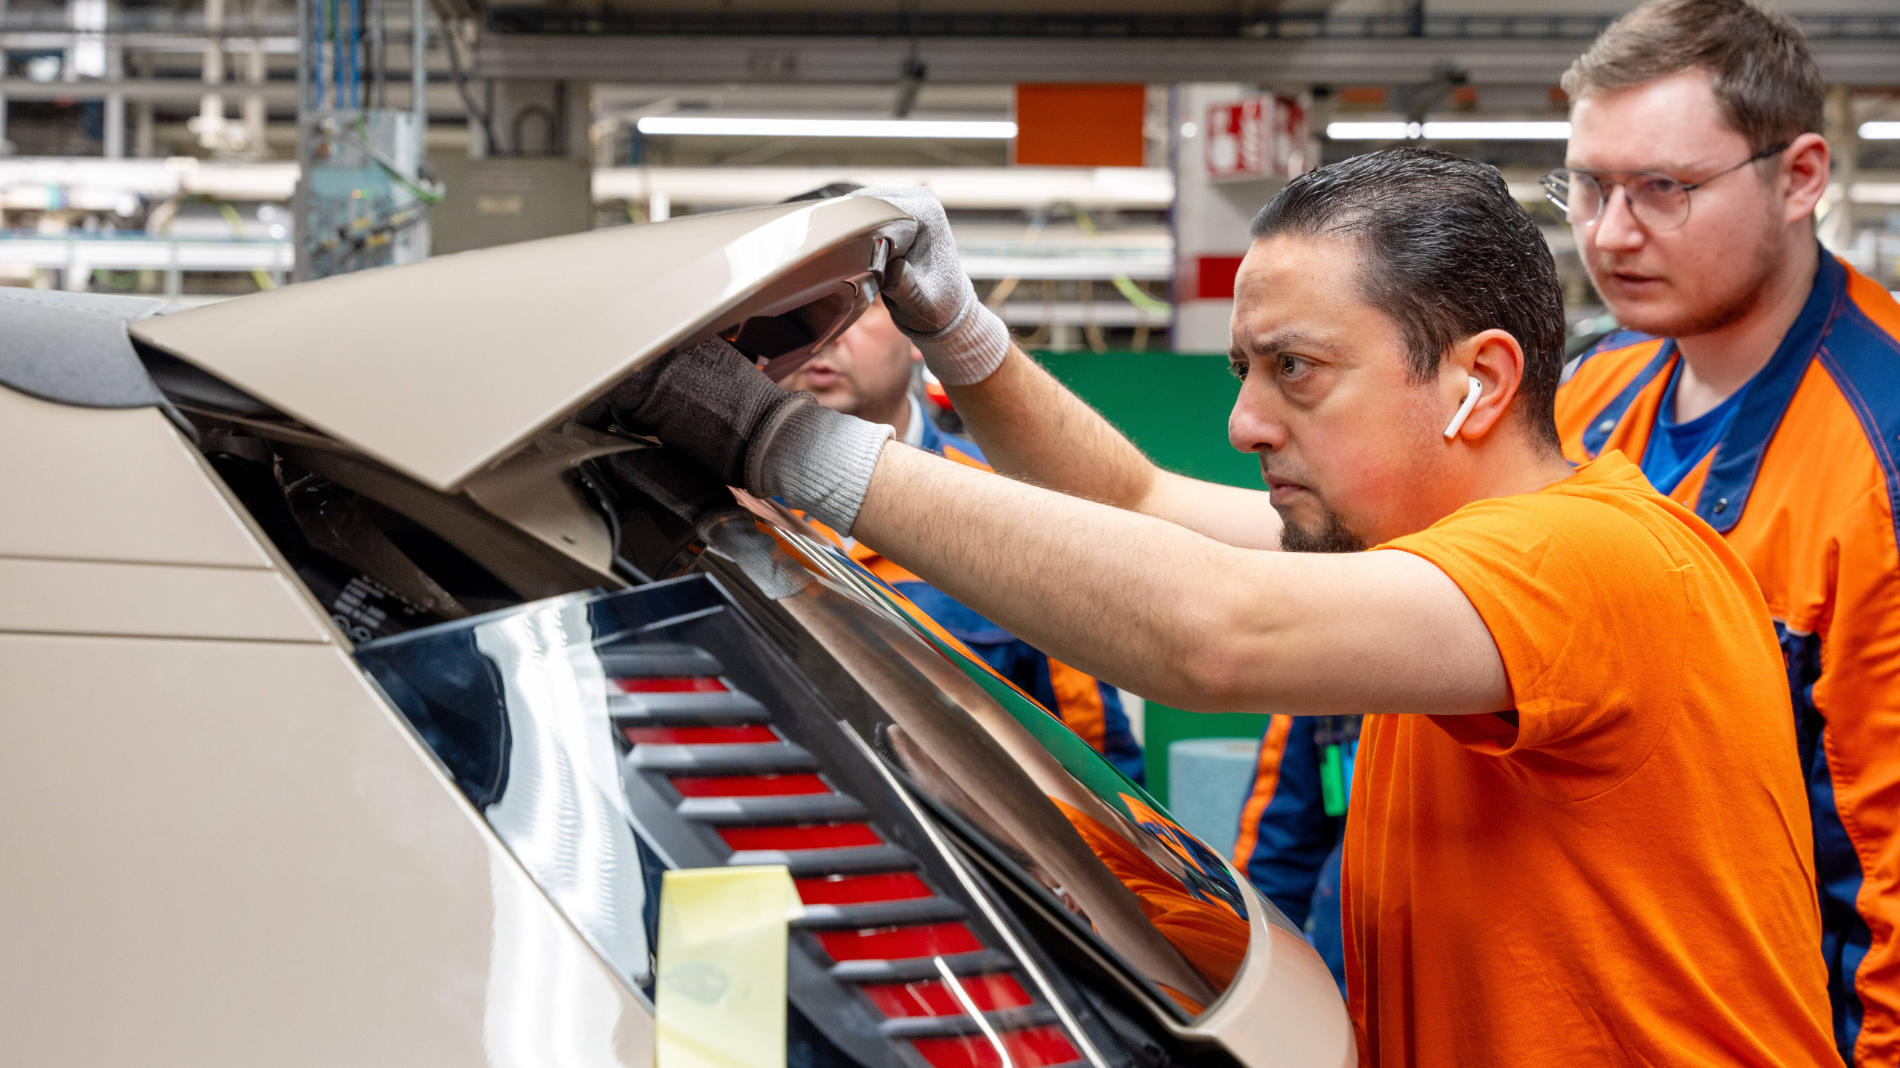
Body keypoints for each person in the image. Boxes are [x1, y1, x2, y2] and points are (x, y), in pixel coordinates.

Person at [603, 148, 1838, 1066]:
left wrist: (779, 442)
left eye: (1293, 370)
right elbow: (1139, 498)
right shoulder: (1427, 553)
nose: (1247, 421)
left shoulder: (1590, 560)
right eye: (1246, 370)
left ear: (1477, 380)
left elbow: (1217, 628)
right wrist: (956, 331)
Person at [1548, 3, 1900, 1062]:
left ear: (1799, 179)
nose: (1610, 233)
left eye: (1664, 189)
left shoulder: (1876, 462)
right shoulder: (1586, 395)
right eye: (1588, 186)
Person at [780, 269, 1146, 783]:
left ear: (912, 329)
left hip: (981, 856)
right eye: (796, 313)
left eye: (854, 306)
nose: (824, 334)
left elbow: (1090, 752)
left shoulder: (1010, 506)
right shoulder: (729, 511)